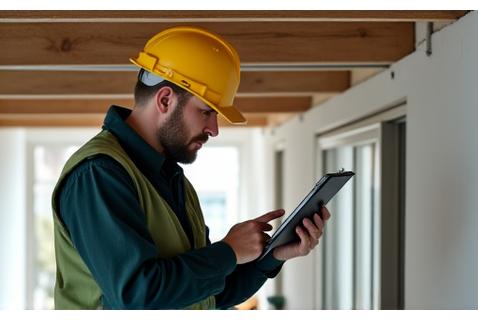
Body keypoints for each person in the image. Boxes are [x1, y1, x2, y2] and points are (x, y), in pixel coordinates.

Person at [51, 26, 330, 310]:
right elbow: (137, 295)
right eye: (207, 111)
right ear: (164, 100)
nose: (214, 129)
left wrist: (273, 255)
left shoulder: (172, 180)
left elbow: (207, 295)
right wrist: (229, 251)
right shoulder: (99, 174)